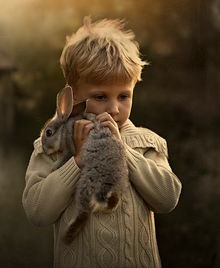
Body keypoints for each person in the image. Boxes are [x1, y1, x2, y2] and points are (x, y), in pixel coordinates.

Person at [22, 17, 182, 268]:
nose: (114, 108)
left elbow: (168, 198)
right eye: (100, 97)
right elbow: (37, 212)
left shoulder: (146, 143)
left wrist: (123, 151)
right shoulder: (54, 145)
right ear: (73, 96)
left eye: (124, 96)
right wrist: (76, 163)